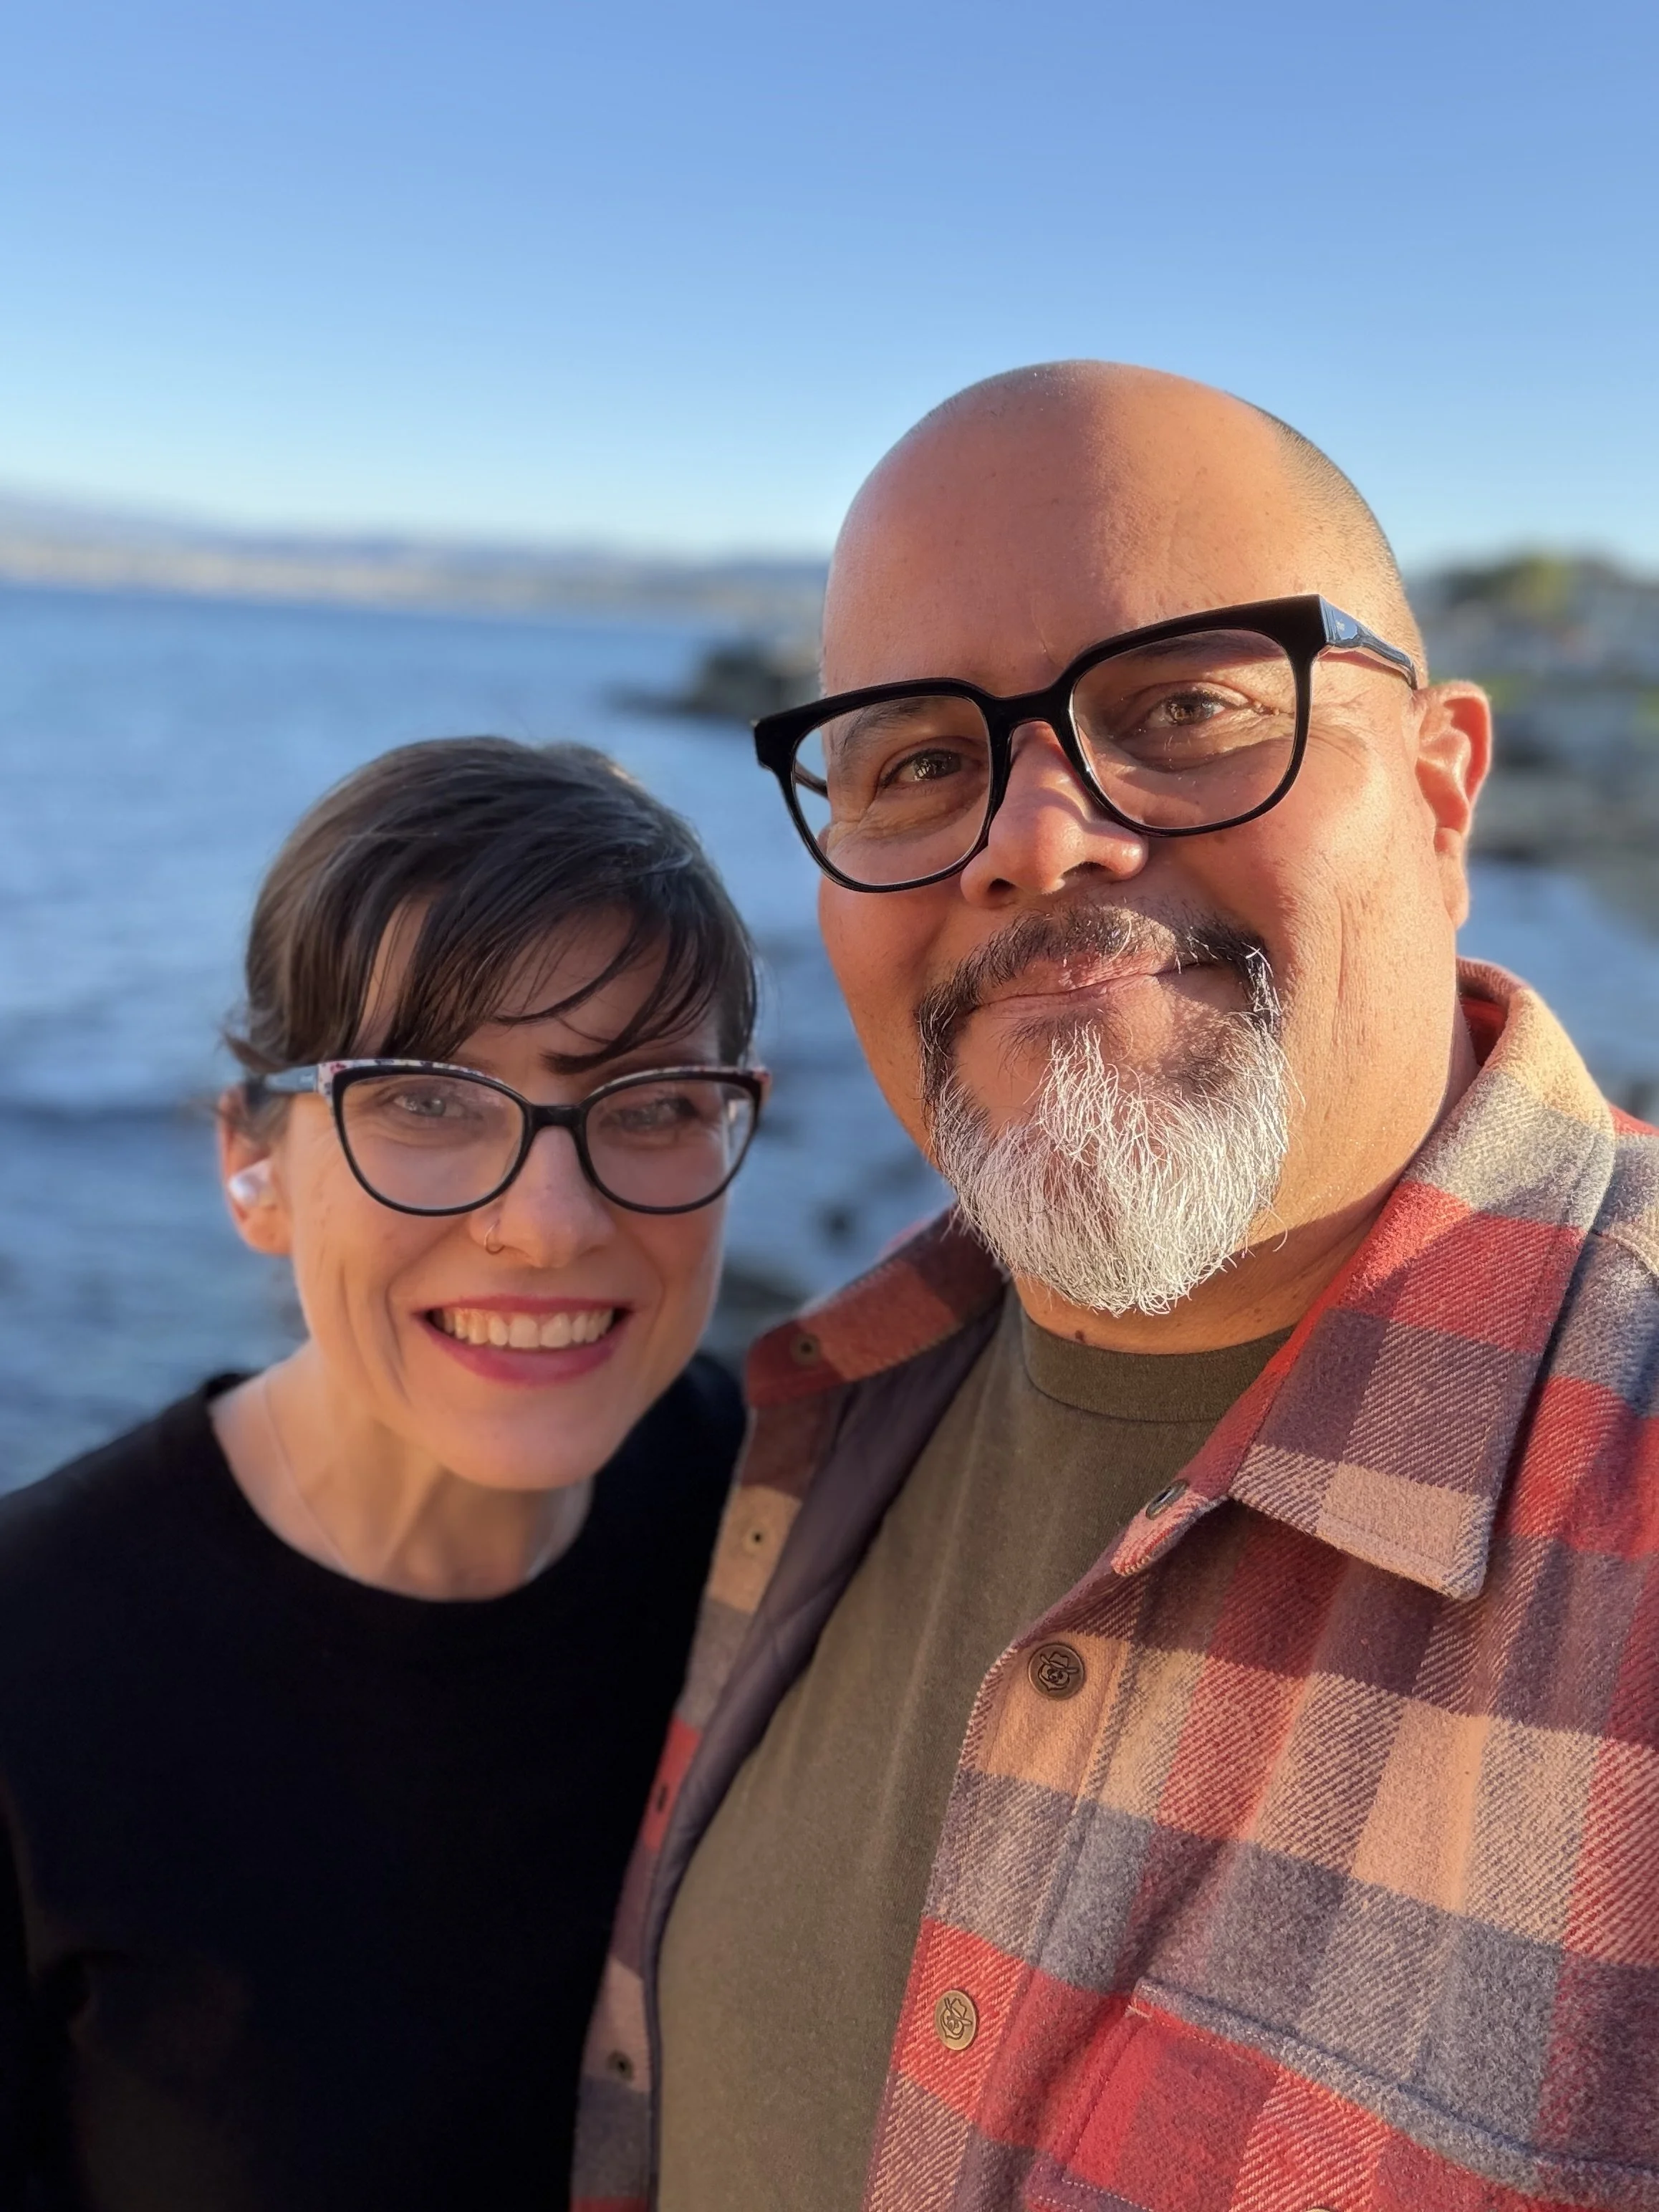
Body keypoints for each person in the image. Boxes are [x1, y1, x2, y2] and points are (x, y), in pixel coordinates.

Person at [574, 365, 1659, 2211]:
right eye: (919, 762)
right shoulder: (821, 1422)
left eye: (1182, 708)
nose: (1036, 834)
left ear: (1440, 791)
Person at [0, 736, 766, 2211]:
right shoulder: (36, 1663)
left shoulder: (775, 1519)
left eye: (653, 1101)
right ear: (253, 1161)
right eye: (426, 1099)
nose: (549, 1221)